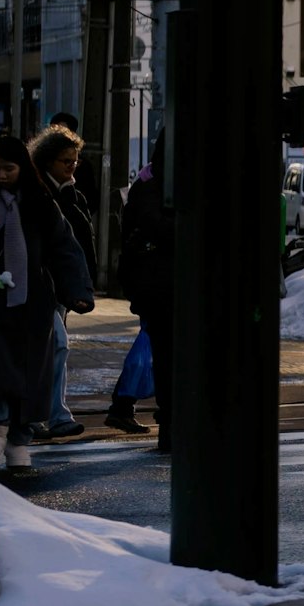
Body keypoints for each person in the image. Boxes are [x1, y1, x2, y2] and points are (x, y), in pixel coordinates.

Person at [0, 134, 87, 475]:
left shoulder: (41, 202)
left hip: (33, 301)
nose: (1, 175)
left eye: (8, 168)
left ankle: (19, 440)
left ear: (22, 169)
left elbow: (63, 247)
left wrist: (77, 291)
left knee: (32, 373)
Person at [30, 125, 98, 442]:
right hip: (40, 283)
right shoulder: (40, 193)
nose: (71, 166)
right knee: (56, 345)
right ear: (48, 160)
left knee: (54, 347)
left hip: (60, 286)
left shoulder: (70, 192)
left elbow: (80, 241)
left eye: (75, 160)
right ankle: (48, 414)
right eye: (65, 161)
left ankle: (49, 414)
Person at [116, 145, 172, 446]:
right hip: (159, 287)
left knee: (162, 353)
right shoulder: (151, 186)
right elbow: (158, 227)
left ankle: (168, 420)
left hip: (156, 286)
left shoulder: (149, 182)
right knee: (164, 354)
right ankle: (169, 422)